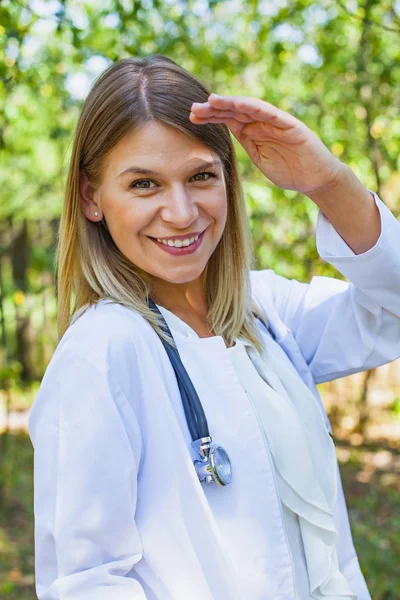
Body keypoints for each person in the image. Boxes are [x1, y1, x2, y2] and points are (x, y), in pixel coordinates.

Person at [28, 54, 400, 600]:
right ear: (91, 198)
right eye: (145, 185)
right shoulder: (102, 352)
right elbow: (86, 583)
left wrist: (328, 181)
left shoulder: (264, 310)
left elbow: (391, 307)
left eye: (201, 176)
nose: (181, 212)